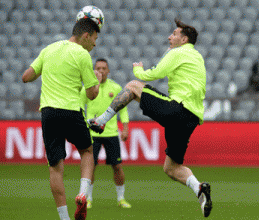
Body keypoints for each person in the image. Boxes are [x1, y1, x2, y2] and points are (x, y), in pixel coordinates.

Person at [87, 18, 213, 217]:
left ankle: (100, 121)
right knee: (171, 168)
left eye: (174, 34)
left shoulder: (179, 52)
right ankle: (200, 189)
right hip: (191, 119)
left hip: (178, 109)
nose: (169, 37)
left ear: (184, 39)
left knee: (133, 85)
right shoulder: (197, 57)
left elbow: (154, 74)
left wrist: (138, 68)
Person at [22, 18, 102, 220]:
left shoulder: (48, 49)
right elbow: (92, 94)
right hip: (71, 111)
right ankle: (83, 193)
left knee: (55, 168)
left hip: (48, 113)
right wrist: (97, 82)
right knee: (87, 151)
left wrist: (42, 72)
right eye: (94, 38)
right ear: (85, 35)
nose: (95, 43)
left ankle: (64, 218)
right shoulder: (82, 54)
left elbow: (26, 76)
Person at [80, 58, 132, 209]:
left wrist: (126, 127)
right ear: (94, 71)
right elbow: (79, 104)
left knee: (117, 166)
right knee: (91, 166)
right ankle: (88, 198)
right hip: (92, 134)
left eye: (104, 68)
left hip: (110, 133)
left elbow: (123, 108)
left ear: (108, 71)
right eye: (98, 68)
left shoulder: (115, 87)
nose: (101, 71)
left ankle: (121, 198)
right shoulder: (88, 88)